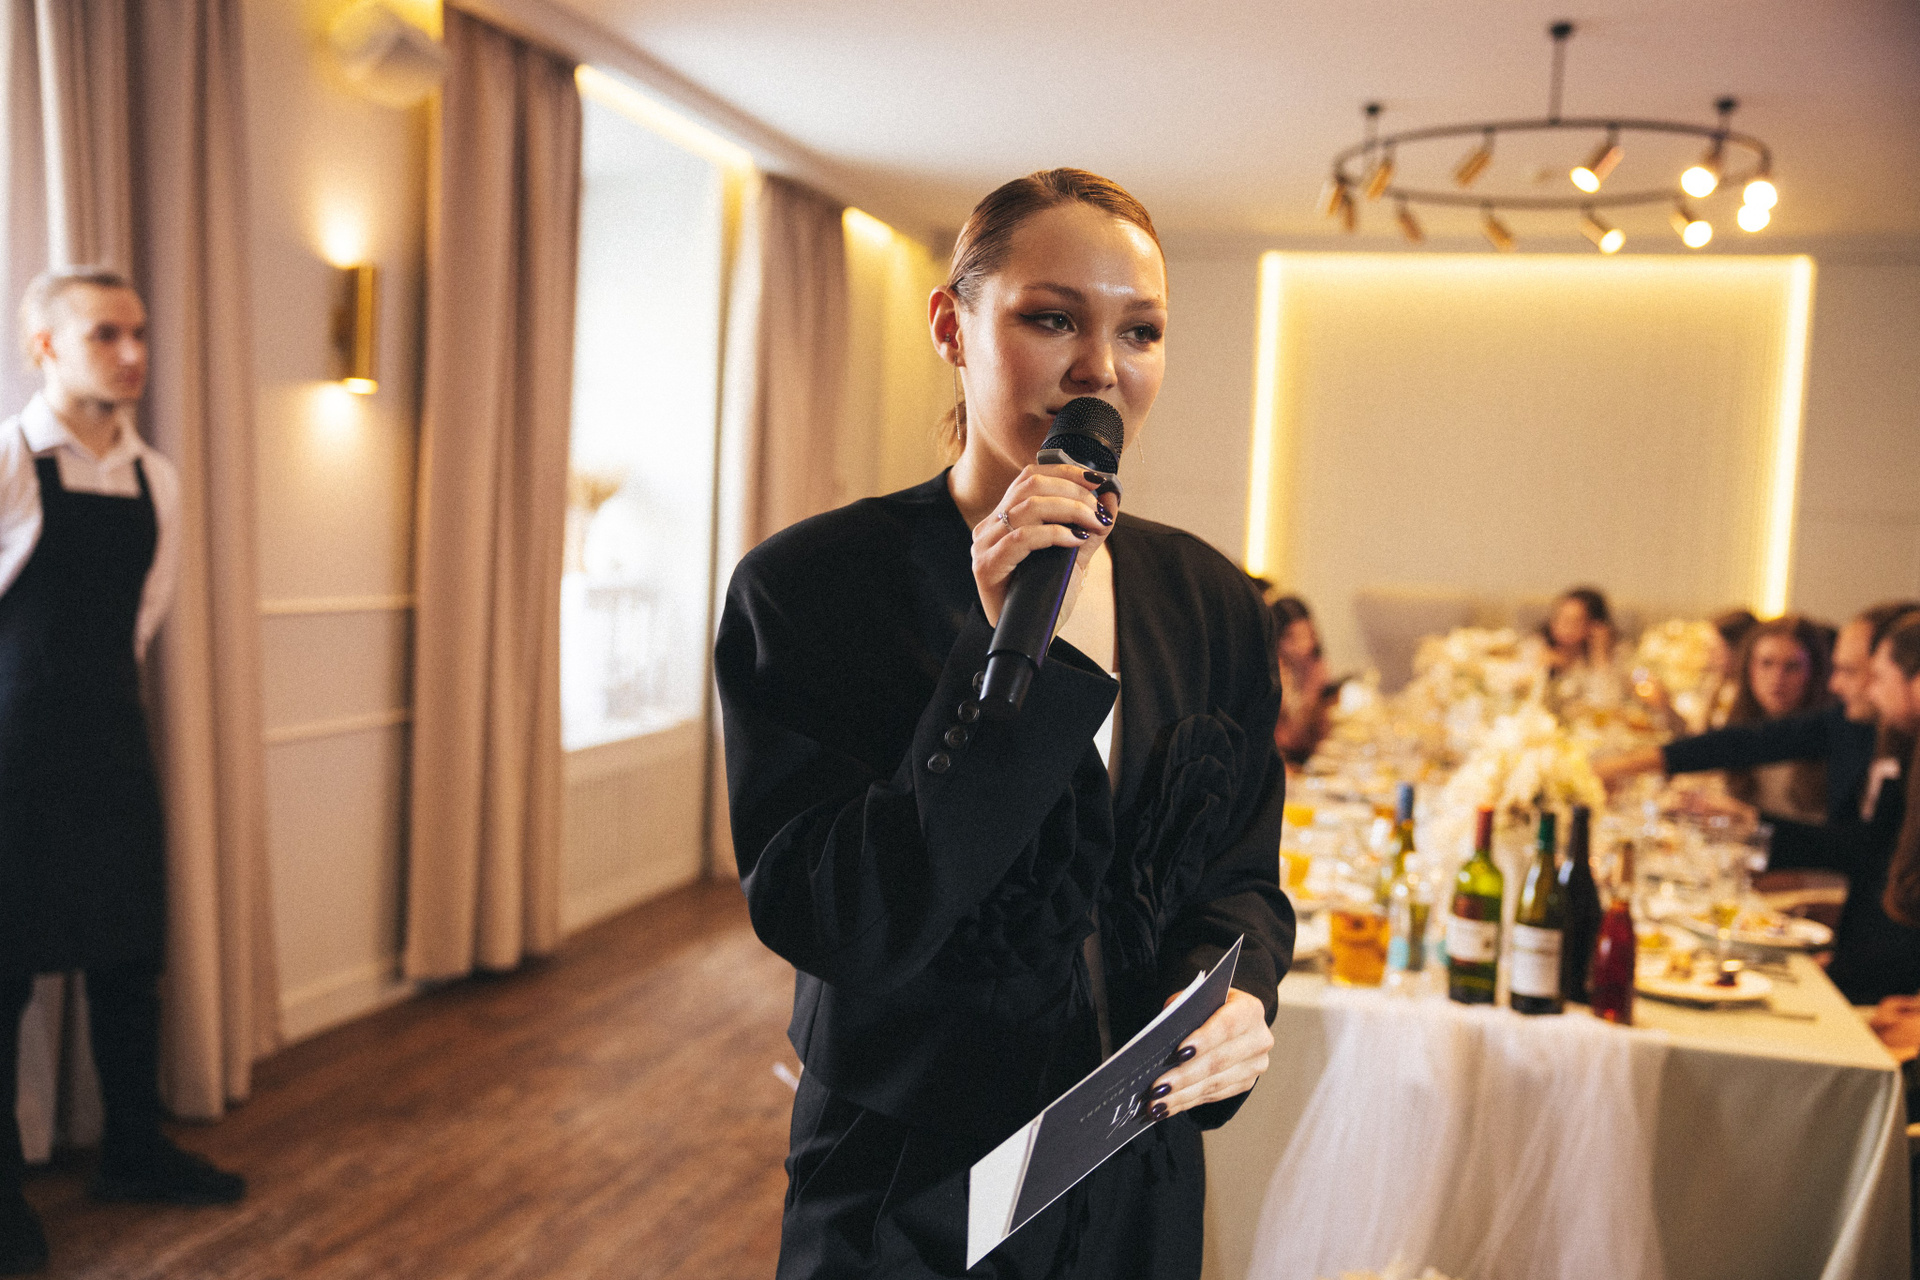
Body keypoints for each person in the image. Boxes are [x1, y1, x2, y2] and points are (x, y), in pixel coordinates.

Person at [716, 170, 1292, 1279]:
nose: (1101, 368)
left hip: (1136, 1167)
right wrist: (998, 666)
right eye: (1052, 318)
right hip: (909, 1183)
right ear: (953, 326)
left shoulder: (1214, 601)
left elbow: (1241, 876)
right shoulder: (809, 589)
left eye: (1141, 330)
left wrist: (1237, 992)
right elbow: (839, 920)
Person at [0, 269, 243, 1275]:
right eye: (106, 334)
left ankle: (134, 1151)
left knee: (128, 956)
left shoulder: (157, 479)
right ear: (46, 348)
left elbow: (143, 617)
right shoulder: (10, 458)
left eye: (139, 332)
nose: (135, 353)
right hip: (13, 752)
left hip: (111, 740)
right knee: (4, 972)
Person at [1594, 602, 1920, 1003]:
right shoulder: (1861, 728)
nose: (1838, 685)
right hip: (1858, 958)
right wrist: (1624, 766)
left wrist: (1754, 825)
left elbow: (1866, 856)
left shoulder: (1893, 744)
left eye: (1856, 671)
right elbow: (1746, 743)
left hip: (1884, 981)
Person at [1253, 584, 1331, 768]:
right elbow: (1266, 738)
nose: (1303, 646)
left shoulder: (1315, 666)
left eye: (1307, 635)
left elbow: (1319, 732)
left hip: (1309, 759)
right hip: (1276, 763)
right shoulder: (1270, 673)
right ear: (1276, 638)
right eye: (1292, 638)